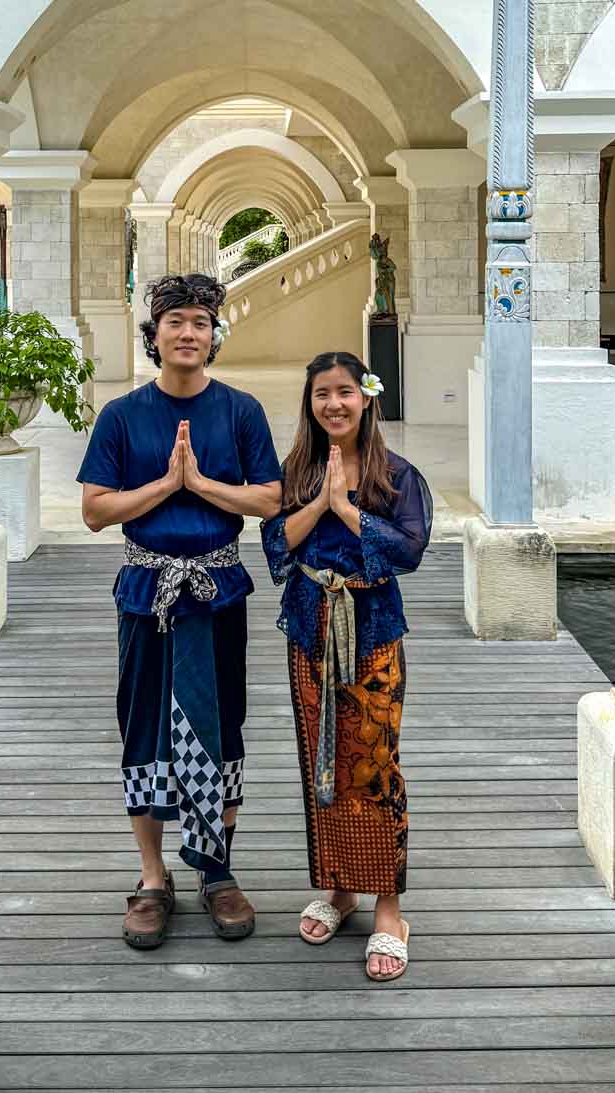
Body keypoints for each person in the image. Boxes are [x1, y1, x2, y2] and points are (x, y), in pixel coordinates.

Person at [79, 273, 282, 951]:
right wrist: (165, 485)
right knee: (144, 726)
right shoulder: (123, 415)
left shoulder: (241, 411)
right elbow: (95, 511)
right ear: (155, 333)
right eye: (176, 321)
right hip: (147, 587)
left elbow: (269, 500)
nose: (189, 332)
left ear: (214, 334)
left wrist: (201, 485)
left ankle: (217, 868)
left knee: (221, 723)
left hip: (219, 587)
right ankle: (152, 875)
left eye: (201, 320)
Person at [261, 351, 431, 982]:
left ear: (366, 398)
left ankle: (389, 905)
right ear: (310, 405)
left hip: (374, 632)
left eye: (345, 392)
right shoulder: (299, 470)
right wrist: (324, 502)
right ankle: (340, 886)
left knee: (374, 763)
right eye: (321, 394)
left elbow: (408, 550)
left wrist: (351, 509)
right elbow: (276, 544)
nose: (333, 404)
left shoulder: (397, 474)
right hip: (308, 627)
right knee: (322, 760)